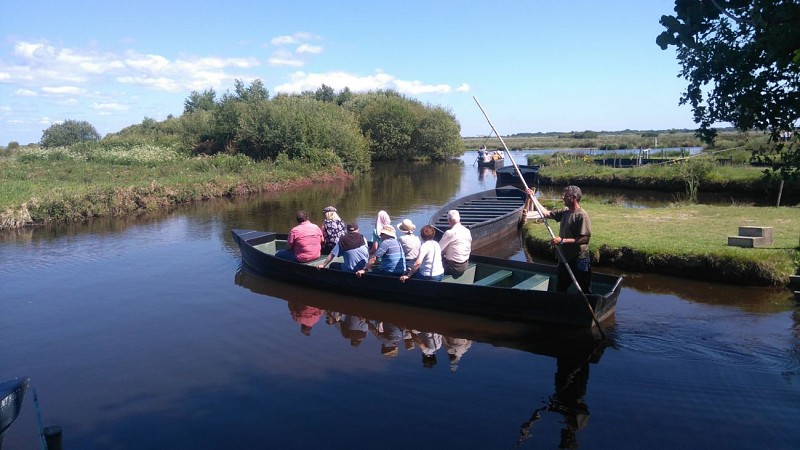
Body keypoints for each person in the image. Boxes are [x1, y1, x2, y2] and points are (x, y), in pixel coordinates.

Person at [527, 185, 592, 293]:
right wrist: (533, 198)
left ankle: (587, 308)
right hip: (564, 258)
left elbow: (585, 239)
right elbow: (546, 213)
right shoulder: (565, 212)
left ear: (574, 197)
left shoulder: (582, 215)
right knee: (561, 288)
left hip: (579, 259)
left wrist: (562, 241)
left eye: (566, 196)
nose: (563, 198)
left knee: (584, 289)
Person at [438, 210, 472, 278]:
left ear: (449, 220)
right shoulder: (467, 231)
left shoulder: (450, 232)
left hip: (454, 267)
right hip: (465, 264)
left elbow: (438, 250)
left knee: (430, 267)